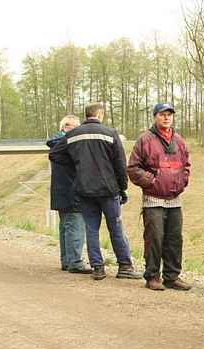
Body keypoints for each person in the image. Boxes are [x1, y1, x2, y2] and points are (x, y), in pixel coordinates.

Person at [50, 102, 141, 281]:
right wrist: (122, 188)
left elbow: (54, 154)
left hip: (84, 190)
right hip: (108, 189)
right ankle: (124, 266)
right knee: (115, 227)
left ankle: (97, 268)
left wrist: (77, 165)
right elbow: (120, 164)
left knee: (91, 229)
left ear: (86, 115)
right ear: (100, 115)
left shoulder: (73, 135)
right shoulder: (110, 133)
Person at [127, 103, 191, 291]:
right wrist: (152, 181)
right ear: (155, 116)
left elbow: (186, 165)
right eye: (162, 114)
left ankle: (172, 276)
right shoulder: (144, 140)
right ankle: (152, 276)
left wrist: (182, 181)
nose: (166, 118)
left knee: (174, 239)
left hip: (175, 199)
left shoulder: (179, 140)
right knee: (154, 238)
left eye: (169, 115)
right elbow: (133, 168)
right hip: (153, 200)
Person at [46, 114, 92, 274]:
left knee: (66, 226)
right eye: (72, 127)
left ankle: (67, 260)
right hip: (72, 191)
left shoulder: (56, 144)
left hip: (61, 192)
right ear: (64, 128)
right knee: (75, 225)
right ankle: (75, 261)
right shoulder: (69, 145)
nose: (76, 131)